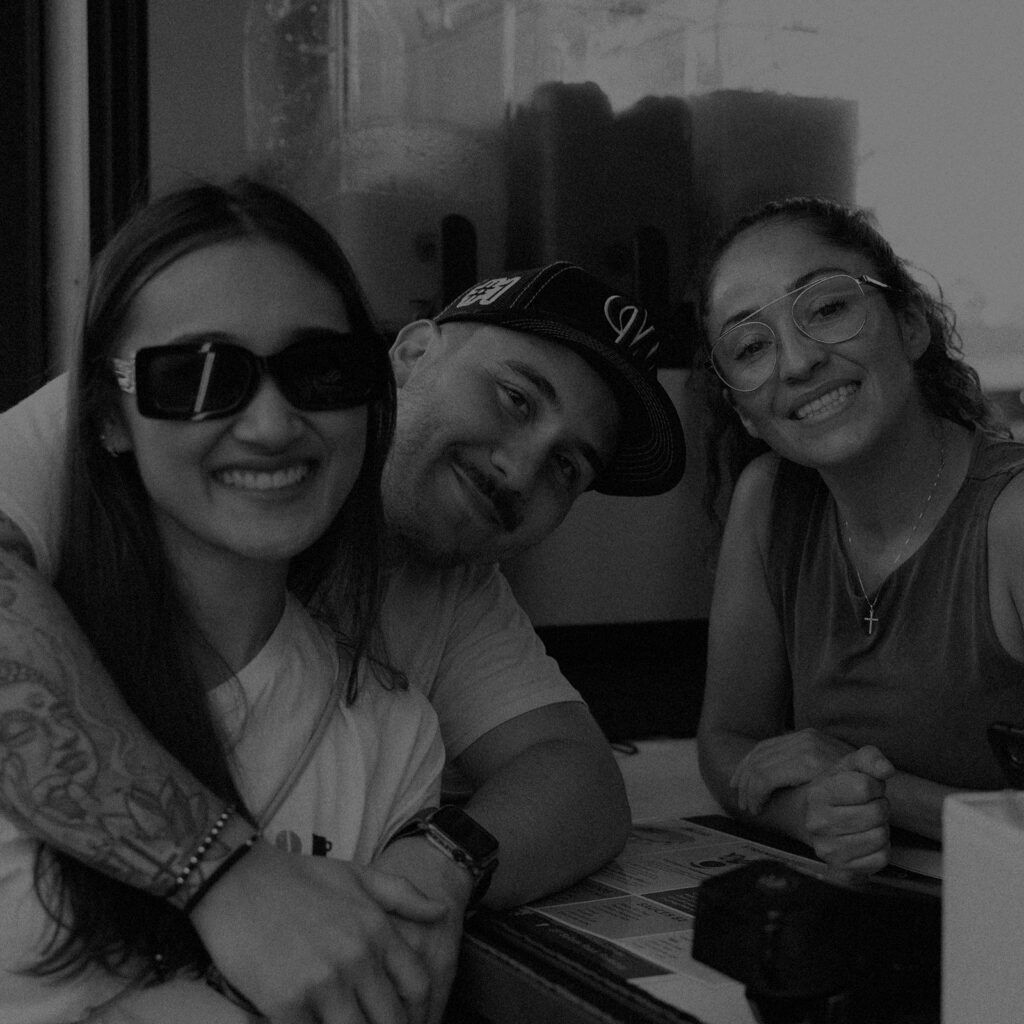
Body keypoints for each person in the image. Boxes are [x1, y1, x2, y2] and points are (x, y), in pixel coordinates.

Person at [0, 193, 688, 1019]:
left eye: (569, 466)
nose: (521, 467)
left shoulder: (436, 633)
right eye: (515, 398)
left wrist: (436, 867)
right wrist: (224, 874)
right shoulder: (125, 417)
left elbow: (578, 776)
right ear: (408, 356)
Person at [1, 179, 449, 1022]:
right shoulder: (27, 675)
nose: (272, 425)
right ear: (107, 418)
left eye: (321, 369)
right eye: (198, 376)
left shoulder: (393, 737)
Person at [694, 195, 1024, 881]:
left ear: (910, 324)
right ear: (744, 413)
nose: (797, 363)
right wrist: (814, 811)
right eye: (750, 347)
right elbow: (729, 743)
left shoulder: (1013, 518)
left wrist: (883, 793)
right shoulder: (769, 502)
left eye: (827, 308)